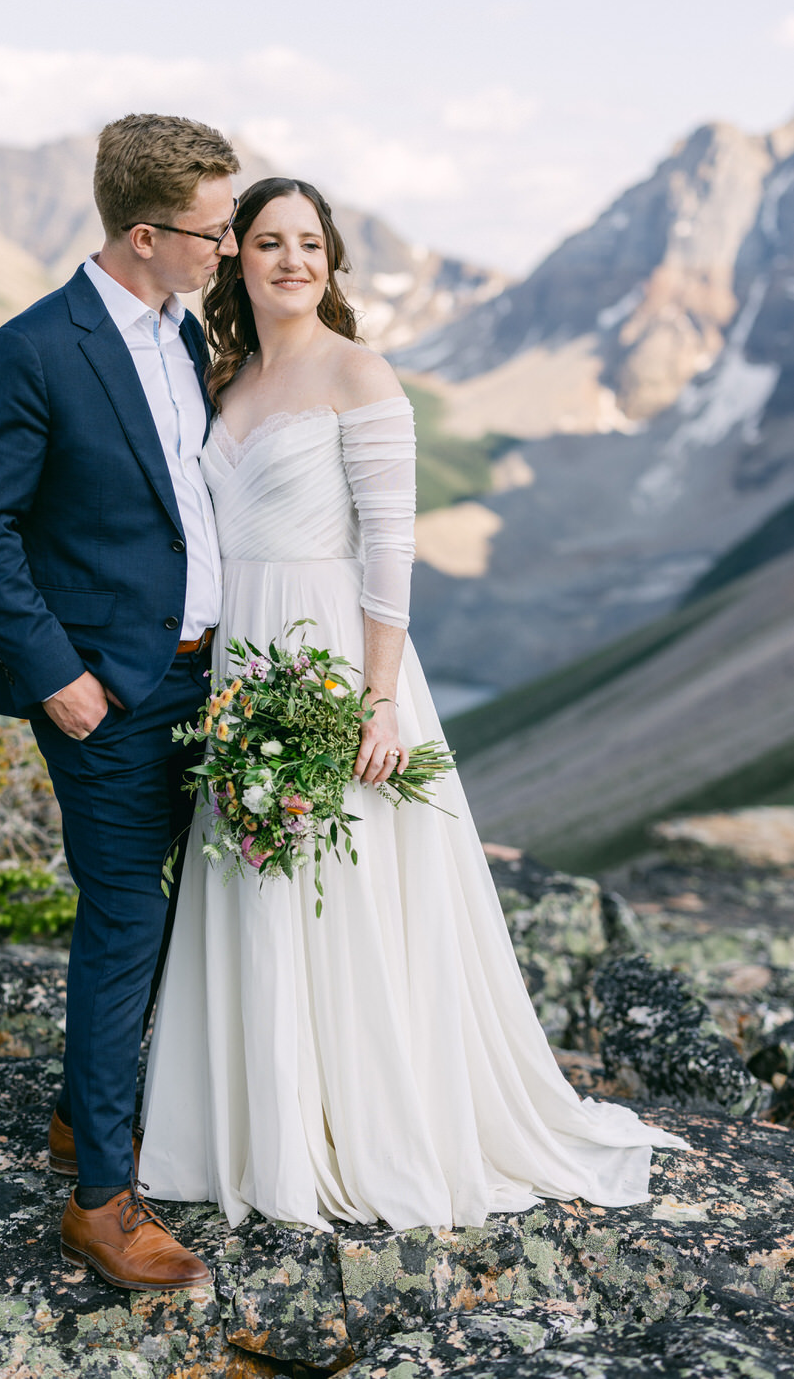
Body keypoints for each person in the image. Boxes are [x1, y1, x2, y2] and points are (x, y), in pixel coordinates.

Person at [139, 177, 687, 1232]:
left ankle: (360, 1123)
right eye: (266, 241)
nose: (289, 259)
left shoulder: (360, 374)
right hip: (241, 662)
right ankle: (260, 1126)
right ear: (236, 259)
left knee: (345, 893)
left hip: (338, 658)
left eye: (308, 242)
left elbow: (388, 547)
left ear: (330, 261)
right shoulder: (226, 380)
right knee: (255, 877)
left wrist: (375, 702)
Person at [0, 113, 241, 1289]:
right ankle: (102, 1201)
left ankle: (83, 1108)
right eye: (213, 232)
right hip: (106, 693)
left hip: (205, 682)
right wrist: (59, 677)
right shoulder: (35, 348)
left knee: (177, 915)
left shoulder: (182, 334)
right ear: (143, 233)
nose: (226, 249)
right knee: (125, 920)